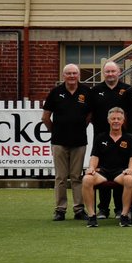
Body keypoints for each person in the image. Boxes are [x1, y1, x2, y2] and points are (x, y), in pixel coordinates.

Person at [42, 63, 92, 221]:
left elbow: (89, 115)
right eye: (69, 73)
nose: (72, 76)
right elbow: (45, 117)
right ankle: (60, 210)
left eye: (74, 73)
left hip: (79, 141)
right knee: (61, 178)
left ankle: (79, 209)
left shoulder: (86, 92)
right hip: (59, 142)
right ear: (64, 76)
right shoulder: (56, 92)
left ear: (79, 75)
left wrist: (78, 127)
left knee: (77, 177)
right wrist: (55, 131)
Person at [81, 107, 132, 228]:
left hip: (120, 172)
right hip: (103, 172)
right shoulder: (100, 137)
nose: (116, 121)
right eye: (113, 119)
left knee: (130, 179)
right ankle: (91, 216)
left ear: (123, 121)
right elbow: (94, 156)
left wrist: (131, 169)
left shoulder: (129, 138)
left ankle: (124, 215)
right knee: (87, 179)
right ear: (108, 120)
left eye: (118, 119)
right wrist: (91, 168)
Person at [89, 60, 128, 143]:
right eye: (107, 71)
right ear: (103, 73)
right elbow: (90, 113)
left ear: (119, 72)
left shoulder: (128, 90)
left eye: (113, 71)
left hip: (123, 136)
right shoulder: (94, 91)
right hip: (100, 135)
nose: (110, 74)